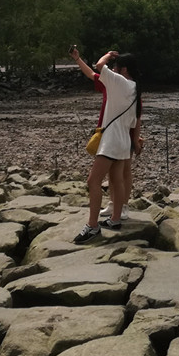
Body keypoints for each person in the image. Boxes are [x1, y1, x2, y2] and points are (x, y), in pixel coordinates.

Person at [68, 46, 141, 242]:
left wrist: (108, 55)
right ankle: (115, 219)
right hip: (123, 140)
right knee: (116, 180)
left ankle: (92, 226)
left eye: (116, 67)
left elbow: (99, 66)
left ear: (123, 69)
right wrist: (78, 59)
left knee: (93, 181)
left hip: (111, 140)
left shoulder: (119, 82)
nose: (114, 70)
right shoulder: (135, 89)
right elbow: (135, 122)